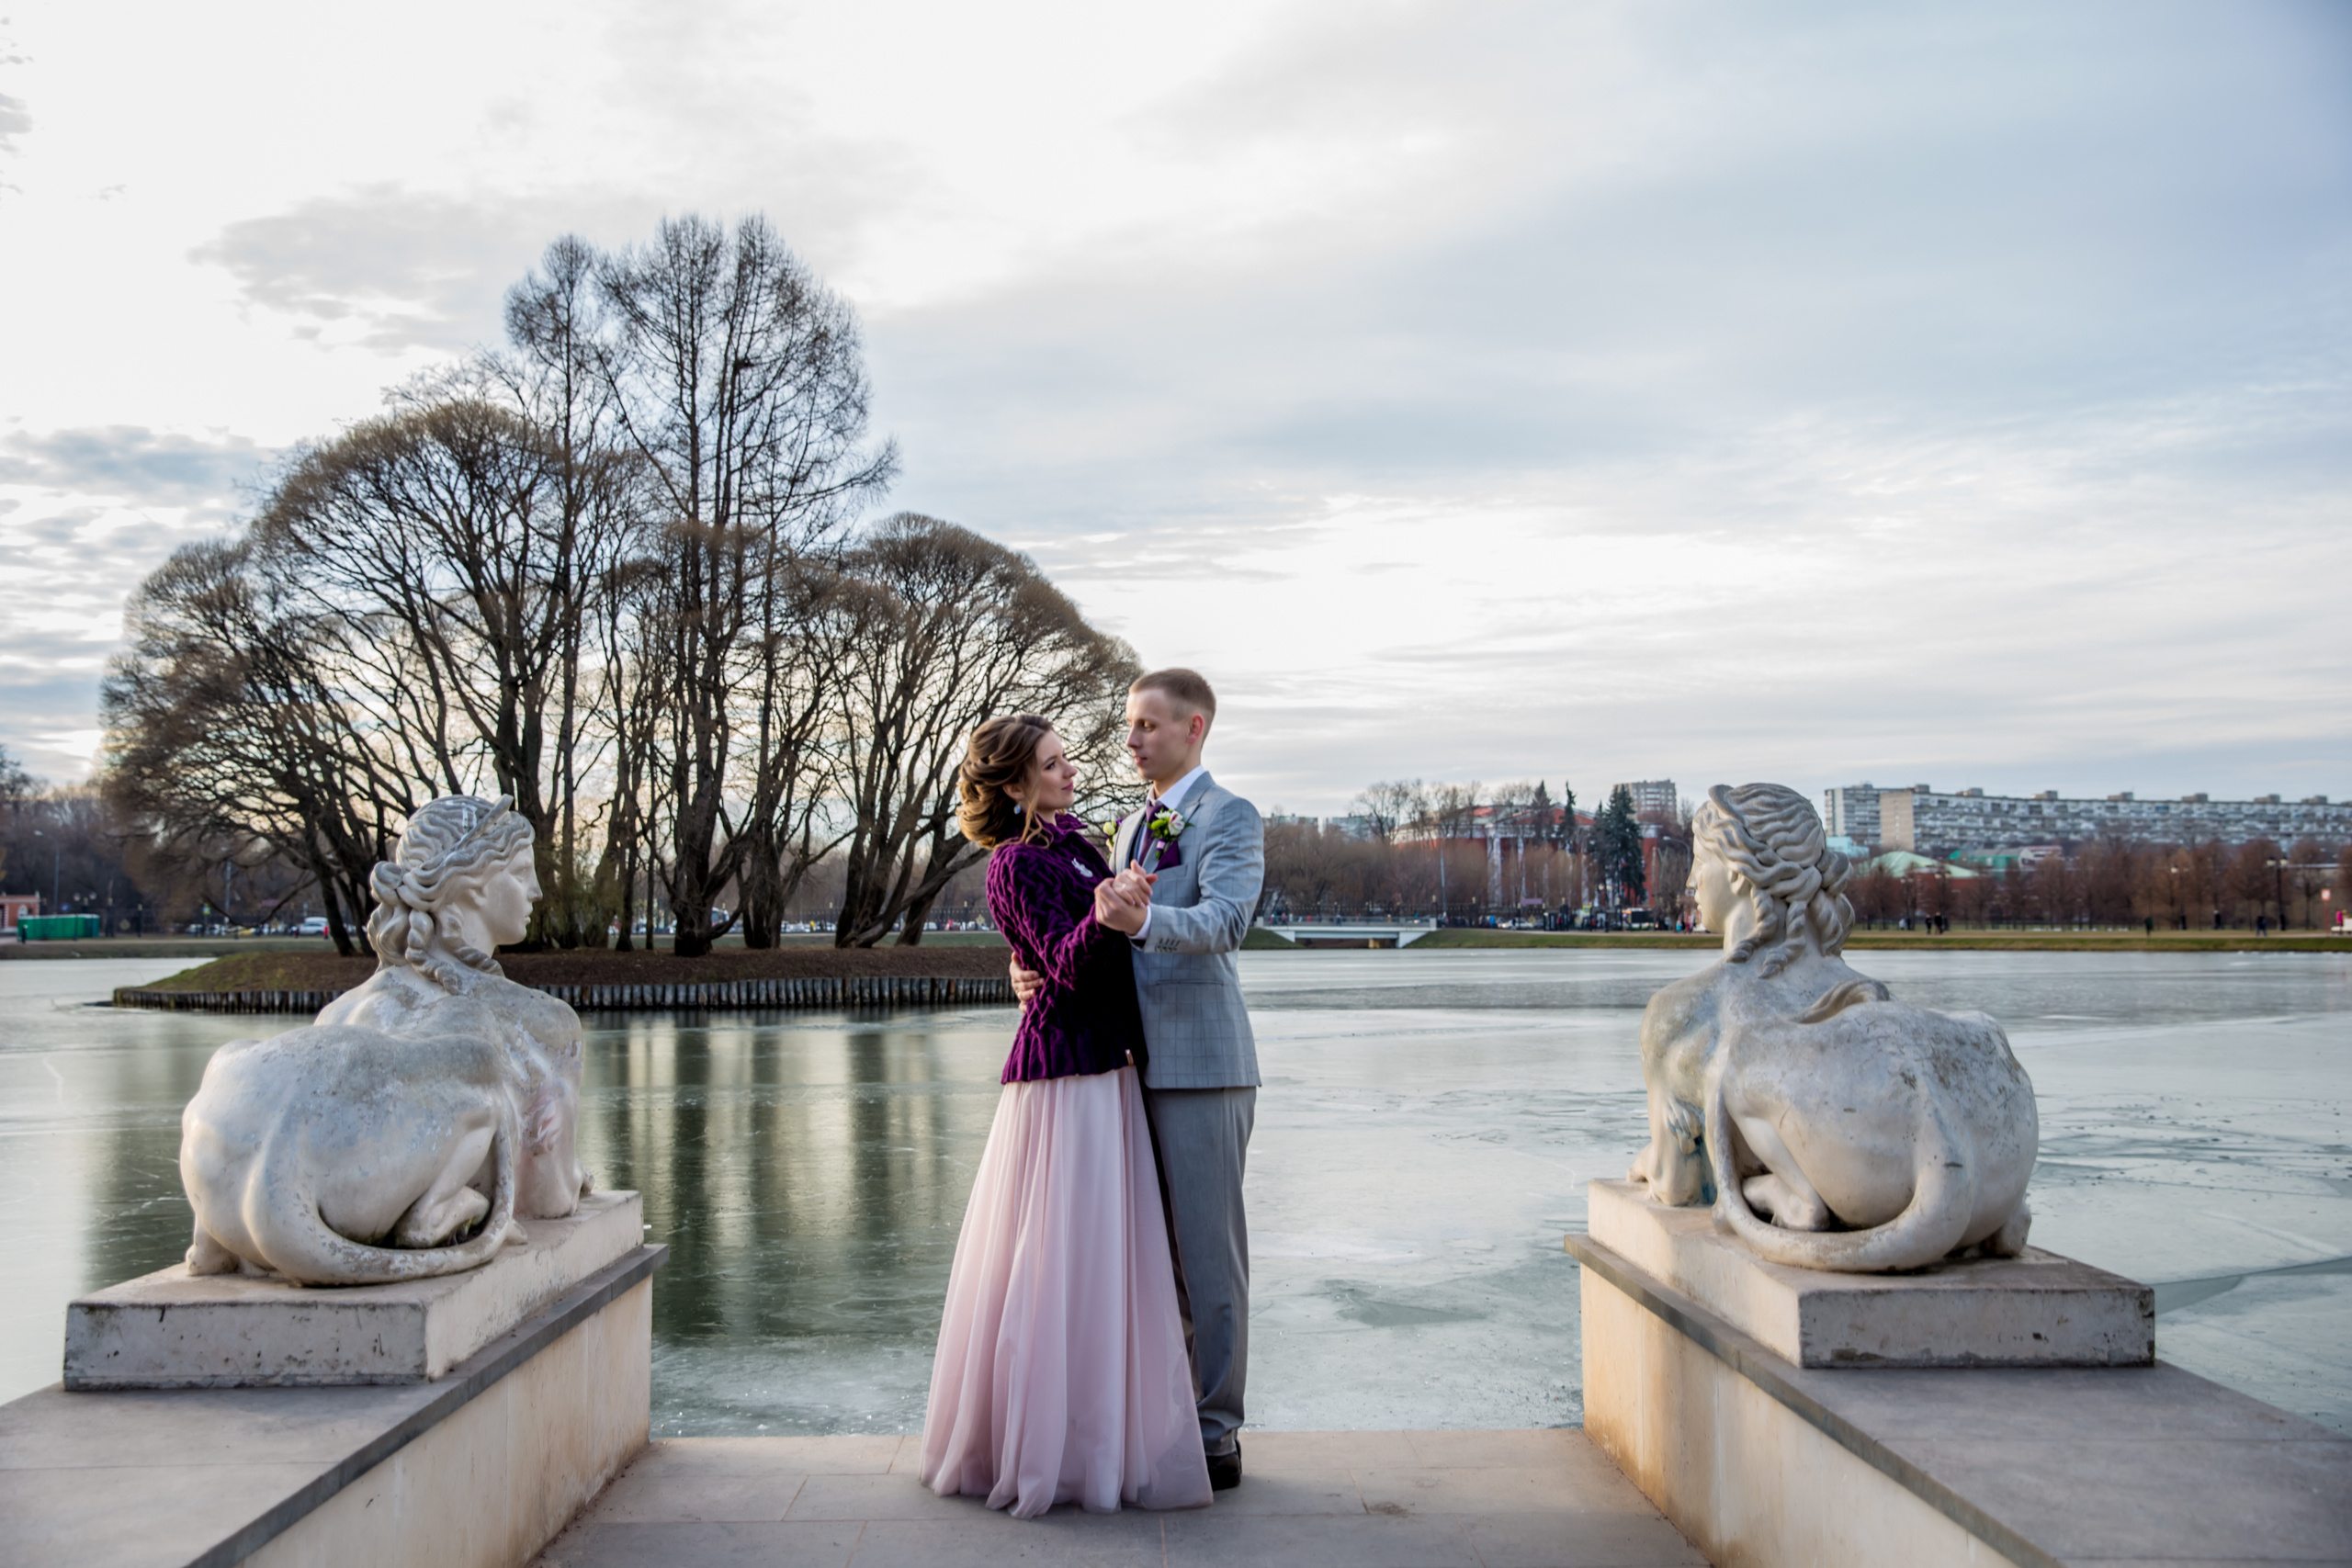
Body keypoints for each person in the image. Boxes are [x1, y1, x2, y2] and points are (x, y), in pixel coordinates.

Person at [919, 714, 1211, 1519]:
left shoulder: (1082, 842)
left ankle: (1102, 1440)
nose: (1071, 771)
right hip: (1062, 1079)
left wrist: (1118, 901)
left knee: (1105, 1267)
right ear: (1016, 785)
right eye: (1053, 765)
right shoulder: (1012, 865)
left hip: (1109, 1068)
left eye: (1065, 758)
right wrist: (1108, 912)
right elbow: (1066, 965)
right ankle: (1047, 1450)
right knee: (1058, 1267)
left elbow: (1074, 957)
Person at [1011, 668, 1265, 1491]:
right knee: (1146, 1260)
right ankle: (1159, 1416)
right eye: (1128, 725)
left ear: (1194, 729)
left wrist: (1145, 919)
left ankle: (1215, 1430)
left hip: (1199, 1066)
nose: (1131, 740)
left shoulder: (1230, 816)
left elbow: (1226, 922)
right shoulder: (1121, 828)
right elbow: (1072, 929)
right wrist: (1025, 969)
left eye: (1148, 726)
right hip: (1121, 1069)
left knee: (1207, 1260)